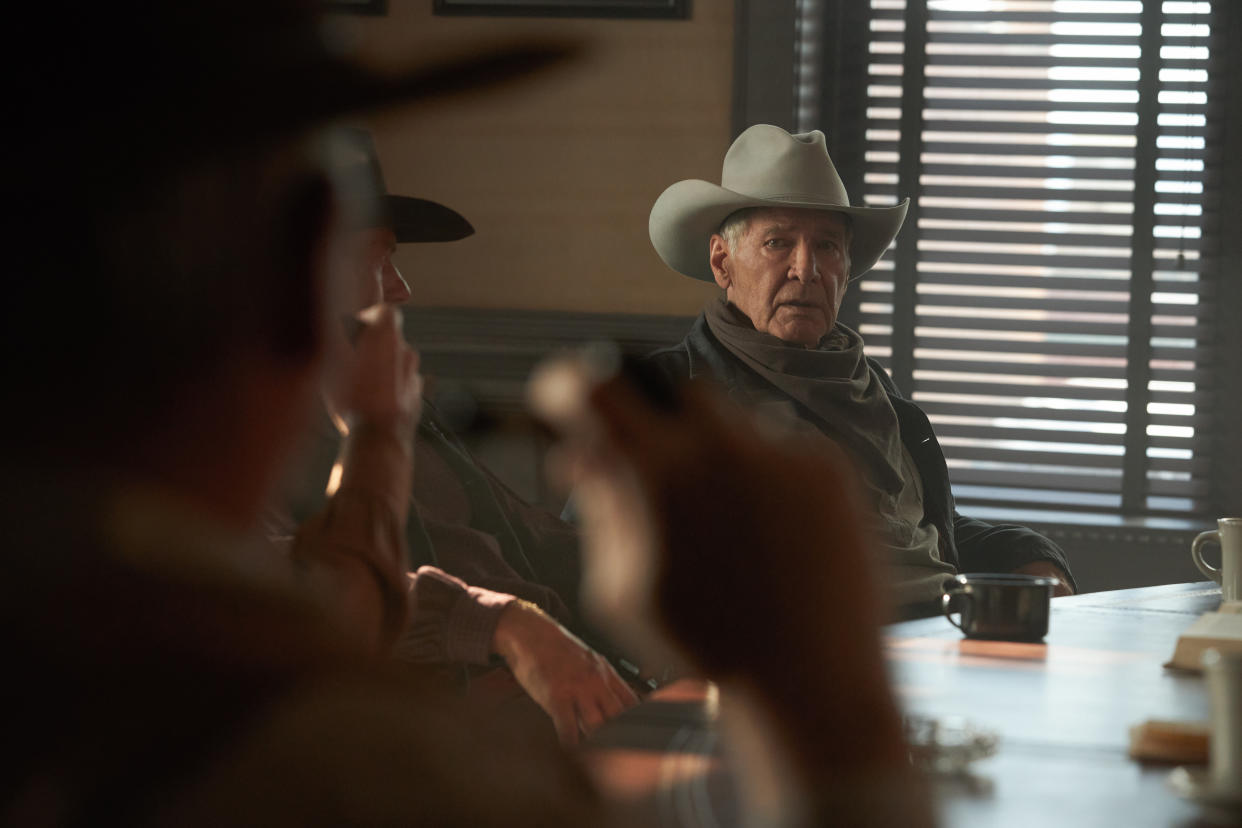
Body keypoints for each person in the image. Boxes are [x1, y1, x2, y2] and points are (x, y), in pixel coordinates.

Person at [1, 5, 931, 822]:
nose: (399, 289)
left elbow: (409, 569)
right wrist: (821, 696)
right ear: (286, 289)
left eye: (828, 246)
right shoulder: (297, 751)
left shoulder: (100, 564)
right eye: (361, 256)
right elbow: (311, 605)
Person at [277, 127, 636, 744]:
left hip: (546, 701)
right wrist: (506, 625)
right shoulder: (255, 432)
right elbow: (290, 592)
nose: (400, 288)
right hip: (428, 730)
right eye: (372, 259)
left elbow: (521, 534)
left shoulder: (394, 398)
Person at [644, 124, 1076, 611]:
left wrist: (1032, 558)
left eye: (827, 246)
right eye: (777, 243)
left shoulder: (873, 387)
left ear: (846, 269)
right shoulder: (666, 394)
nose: (806, 269)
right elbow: (593, 556)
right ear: (723, 262)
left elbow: (915, 534)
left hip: (942, 630)